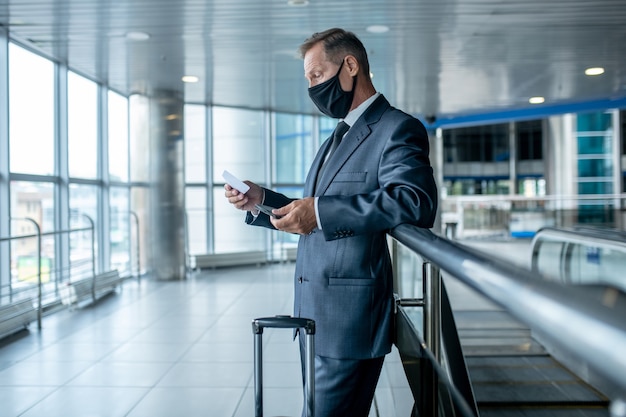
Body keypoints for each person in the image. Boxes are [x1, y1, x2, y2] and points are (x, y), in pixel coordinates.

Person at [225, 27, 437, 417]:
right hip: (316, 314)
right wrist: (262, 201)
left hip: (349, 320)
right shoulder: (335, 138)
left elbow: (415, 200)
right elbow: (315, 212)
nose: (312, 88)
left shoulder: (396, 128)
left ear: (350, 65)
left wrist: (319, 212)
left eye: (317, 75)